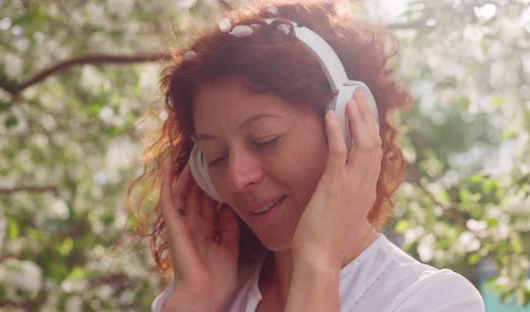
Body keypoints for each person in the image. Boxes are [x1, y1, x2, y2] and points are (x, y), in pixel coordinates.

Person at [129, 1, 485, 311]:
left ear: (348, 125)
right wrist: (194, 303)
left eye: (265, 140)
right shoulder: (200, 298)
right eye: (217, 157)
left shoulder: (434, 301)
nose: (238, 177)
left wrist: (317, 265)